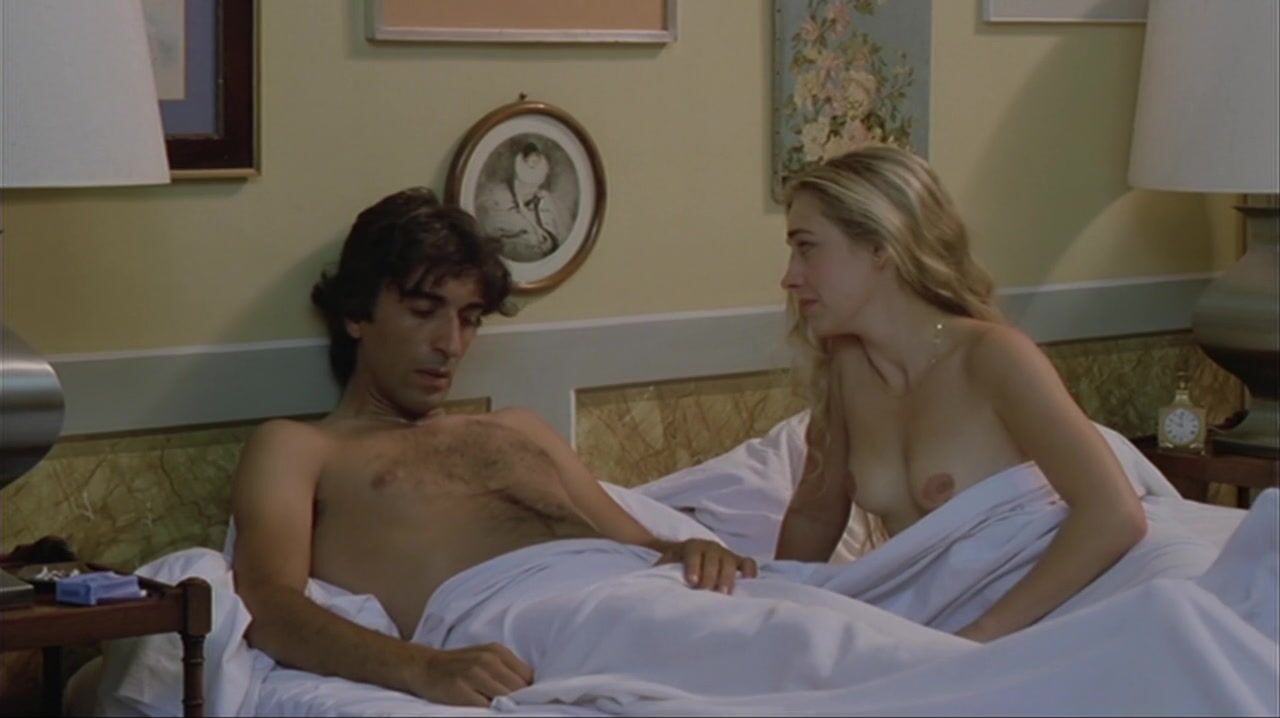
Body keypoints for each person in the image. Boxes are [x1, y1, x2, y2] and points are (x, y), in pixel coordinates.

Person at [231, 187, 758, 707]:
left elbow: (640, 542)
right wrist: (420, 666)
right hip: (518, 619)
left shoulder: (520, 428)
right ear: (355, 314)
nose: (450, 344)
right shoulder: (300, 448)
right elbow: (267, 605)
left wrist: (690, 551)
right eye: (423, 310)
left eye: (469, 319)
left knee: (794, 632)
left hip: (635, 587)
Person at [775, 145, 1148, 643]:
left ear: (881, 247)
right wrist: (773, 616)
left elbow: (1115, 515)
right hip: (940, 627)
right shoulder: (847, 368)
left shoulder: (993, 357)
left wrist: (979, 639)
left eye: (807, 247)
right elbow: (815, 515)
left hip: (1035, 615)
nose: (790, 276)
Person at [475, 143, 566, 261]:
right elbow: (521, 206)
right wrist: (537, 229)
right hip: (521, 205)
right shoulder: (519, 176)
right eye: (531, 161)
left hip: (533, 202)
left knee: (552, 210)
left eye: (536, 160)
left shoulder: (541, 169)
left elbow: (536, 189)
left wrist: (537, 196)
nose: (534, 163)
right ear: (524, 160)